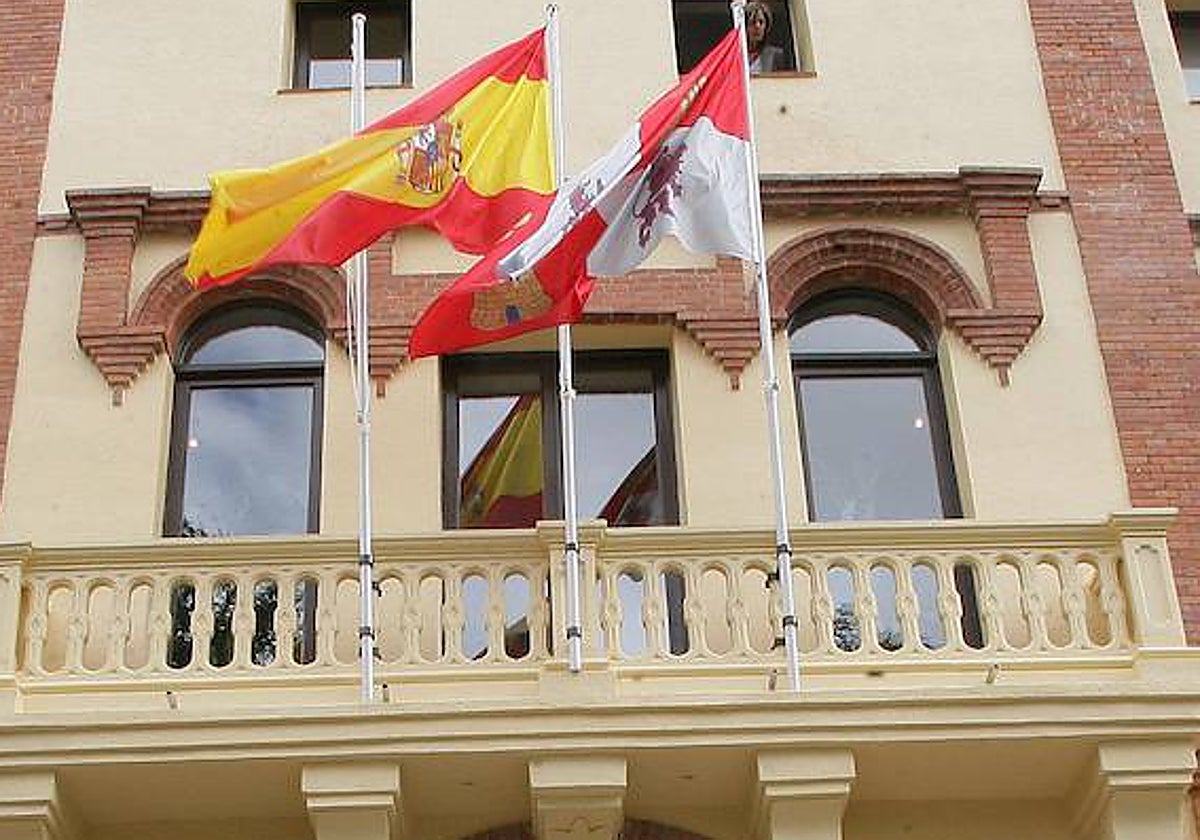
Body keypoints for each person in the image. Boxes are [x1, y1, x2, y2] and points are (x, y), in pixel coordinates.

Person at [745, 0, 785, 74]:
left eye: (761, 22)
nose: (757, 26)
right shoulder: (737, 54)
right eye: (753, 22)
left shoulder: (776, 55)